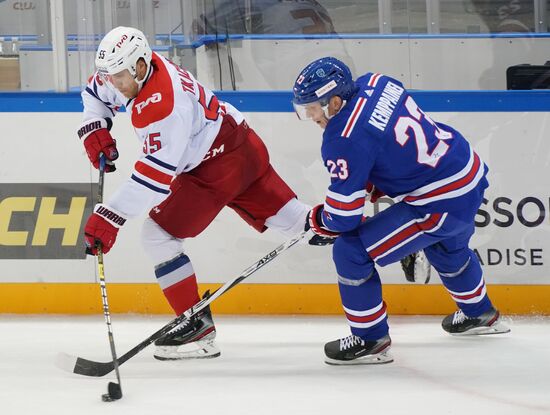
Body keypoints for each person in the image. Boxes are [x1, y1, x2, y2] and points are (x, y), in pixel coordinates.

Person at [77, 26, 325, 361]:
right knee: (306, 224)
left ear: (138, 66)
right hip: (242, 146)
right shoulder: (134, 72)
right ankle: (374, 231)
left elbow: (154, 178)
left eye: (118, 77)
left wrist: (111, 216)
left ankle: (195, 328)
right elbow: (94, 93)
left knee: (157, 236)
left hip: (215, 168)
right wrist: (95, 128)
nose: (112, 84)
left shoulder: (164, 105)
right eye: (110, 76)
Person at [294, 57, 510, 366]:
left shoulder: (341, 138)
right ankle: (480, 314)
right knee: (448, 248)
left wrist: (321, 220)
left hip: (438, 201)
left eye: (313, 107)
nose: (311, 115)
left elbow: (344, 218)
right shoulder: (378, 81)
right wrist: (370, 180)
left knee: (350, 251)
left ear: (335, 101)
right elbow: (390, 141)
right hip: (466, 171)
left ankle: (370, 339)